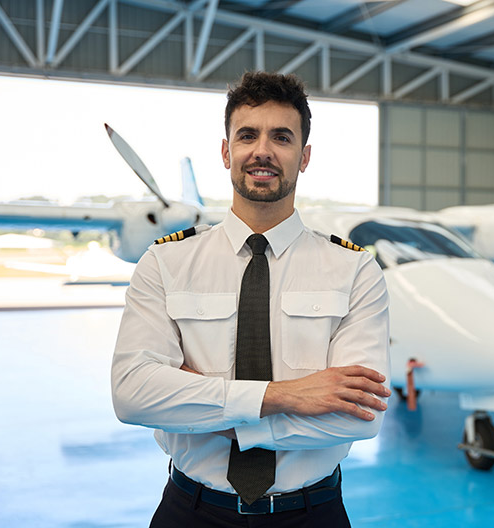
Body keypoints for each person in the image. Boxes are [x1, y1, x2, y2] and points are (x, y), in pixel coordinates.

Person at [111, 71, 391, 527]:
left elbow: (359, 418)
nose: (263, 150)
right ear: (226, 152)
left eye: (282, 136)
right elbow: (132, 396)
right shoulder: (166, 263)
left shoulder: (355, 270)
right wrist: (287, 396)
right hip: (192, 510)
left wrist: (198, 407)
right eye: (247, 135)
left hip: (311, 512)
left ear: (304, 157)